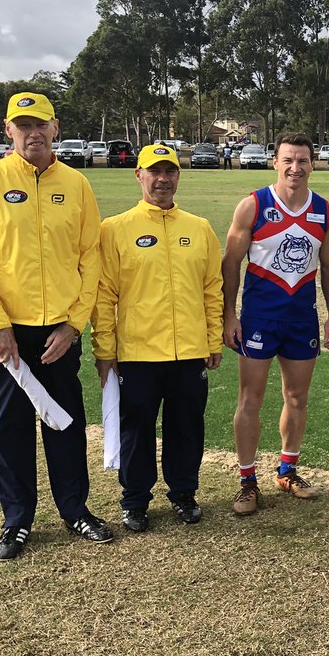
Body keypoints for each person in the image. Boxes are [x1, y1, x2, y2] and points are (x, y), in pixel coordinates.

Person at [0, 91, 107, 560]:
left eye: (40, 124)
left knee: (66, 424)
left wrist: (74, 326)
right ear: (8, 130)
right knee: (11, 427)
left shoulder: (76, 185)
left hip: (59, 332)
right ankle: (17, 520)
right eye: (23, 125)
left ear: (55, 127)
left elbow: (90, 259)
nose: (32, 132)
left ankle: (75, 509)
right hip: (8, 333)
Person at [92, 144, 224, 532]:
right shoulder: (115, 229)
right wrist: (105, 349)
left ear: (178, 176)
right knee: (137, 429)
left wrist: (212, 340)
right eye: (154, 171)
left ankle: (184, 492)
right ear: (139, 175)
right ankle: (134, 500)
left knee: (186, 426)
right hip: (137, 353)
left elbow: (212, 289)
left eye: (170, 172)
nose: (163, 179)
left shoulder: (198, 228)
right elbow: (104, 295)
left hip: (189, 352)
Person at [221, 133, 329, 514]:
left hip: (300, 319)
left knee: (297, 397)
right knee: (250, 400)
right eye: (288, 159)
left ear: (312, 164)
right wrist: (229, 314)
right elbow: (230, 263)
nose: (295, 167)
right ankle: (247, 482)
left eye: (303, 160)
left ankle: (287, 471)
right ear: (275, 162)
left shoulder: (324, 210)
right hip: (259, 318)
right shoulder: (253, 205)